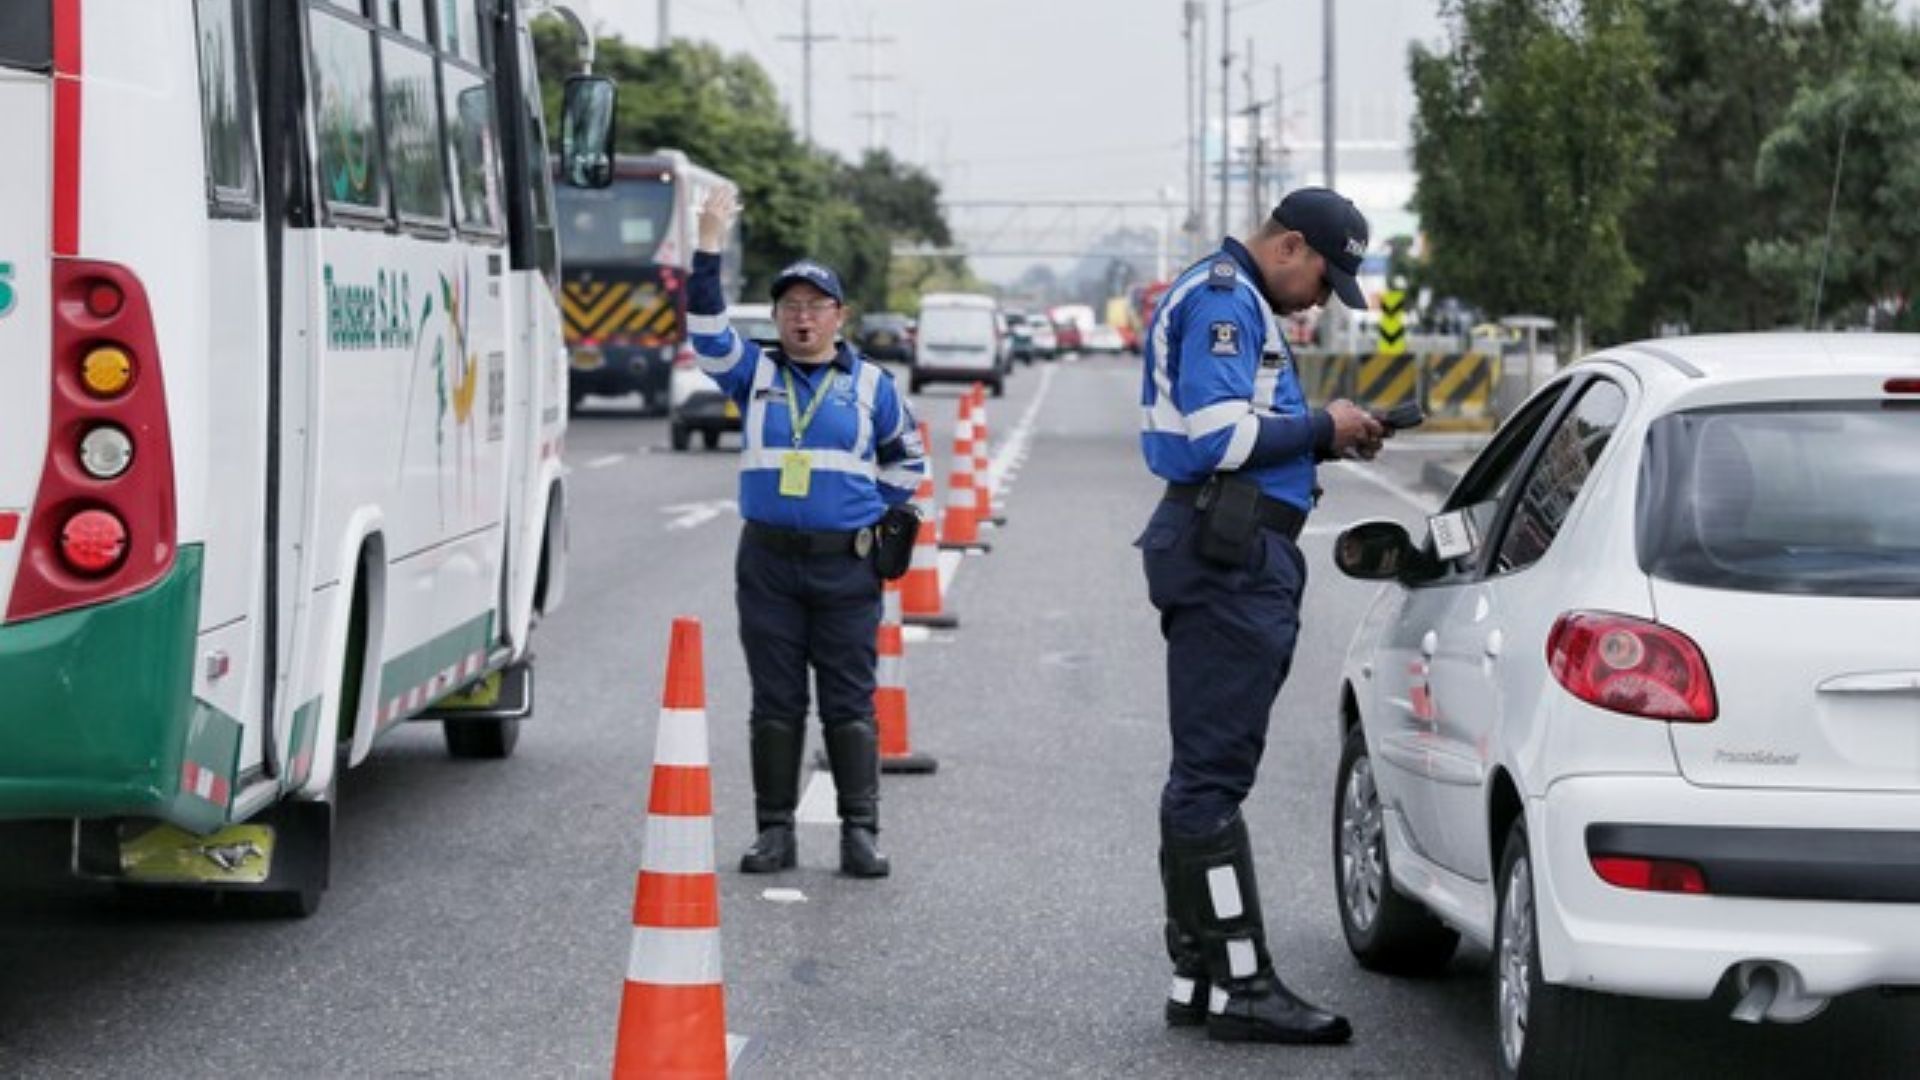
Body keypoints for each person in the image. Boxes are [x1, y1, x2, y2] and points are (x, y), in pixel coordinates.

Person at [1136, 188, 1389, 1045]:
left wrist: (1328, 435)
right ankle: (1242, 985)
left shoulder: (1233, 295)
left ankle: (1198, 976)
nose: (1323, 298)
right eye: (1324, 277)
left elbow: (1244, 426)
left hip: (1232, 551)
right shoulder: (1224, 302)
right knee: (1210, 785)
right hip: (1230, 559)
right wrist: (1325, 425)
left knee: (1201, 778)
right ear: (1288, 245)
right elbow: (1216, 435)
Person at [687, 187, 927, 879]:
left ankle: (860, 832)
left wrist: (866, 516)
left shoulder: (872, 387)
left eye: (815, 307)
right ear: (776, 316)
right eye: (790, 306)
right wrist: (708, 242)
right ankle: (775, 834)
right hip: (767, 565)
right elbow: (704, 326)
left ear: (838, 317)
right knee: (776, 701)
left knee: (849, 702)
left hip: (845, 569)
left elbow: (907, 461)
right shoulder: (752, 373)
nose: (801, 318)